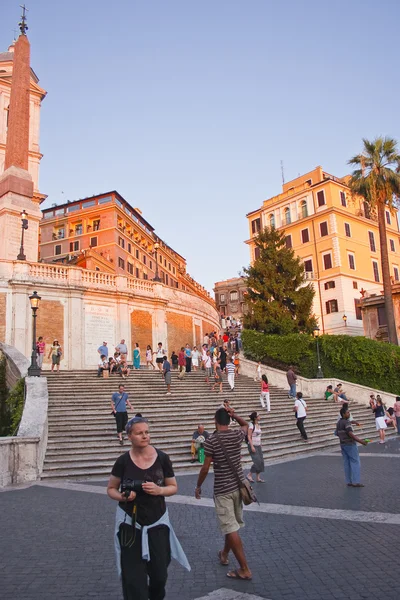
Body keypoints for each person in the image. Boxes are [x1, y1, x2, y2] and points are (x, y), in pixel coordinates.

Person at [107, 416, 190, 599]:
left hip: (157, 525)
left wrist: (159, 489)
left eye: (147, 432)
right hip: (130, 526)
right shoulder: (122, 461)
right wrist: (123, 496)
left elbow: (173, 487)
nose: (145, 436)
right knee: (133, 581)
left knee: (160, 576)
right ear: (129, 436)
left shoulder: (162, 458)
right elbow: (111, 489)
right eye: (139, 433)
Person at [195, 406, 252, 581]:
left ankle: (244, 569)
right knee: (231, 525)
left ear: (215, 421)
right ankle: (224, 554)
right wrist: (235, 415)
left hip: (223, 490)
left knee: (230, 527)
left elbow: (205, 468)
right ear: (228, 421)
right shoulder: (236, 435)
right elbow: (247, 426)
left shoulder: (211, 441)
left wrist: (198, 486)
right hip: (238, 487)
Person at [336, 405, 367, 487]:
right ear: (343, 414)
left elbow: (336, 433)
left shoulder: (339, 422)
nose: (349, 414)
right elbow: (350, 433)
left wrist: (354, 422)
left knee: (346, 463)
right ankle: (356, 481)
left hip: (343, 445)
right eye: (347, 412)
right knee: (355, 462)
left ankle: (348, 481)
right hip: (350, 444)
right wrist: (361, 441)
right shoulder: (346, 423)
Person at [246, 412, 265, 483]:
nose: (260, 416)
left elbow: (259, 435)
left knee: (261, 461)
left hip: (258, 444)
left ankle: (258, 477)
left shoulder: (258, 424)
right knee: (257, 461)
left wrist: (260, 443)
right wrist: (251, 446)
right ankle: (249, 475)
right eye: (258, 416)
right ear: (255, 417)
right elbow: (248, 436)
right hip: (253, 445)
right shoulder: (251, 425)